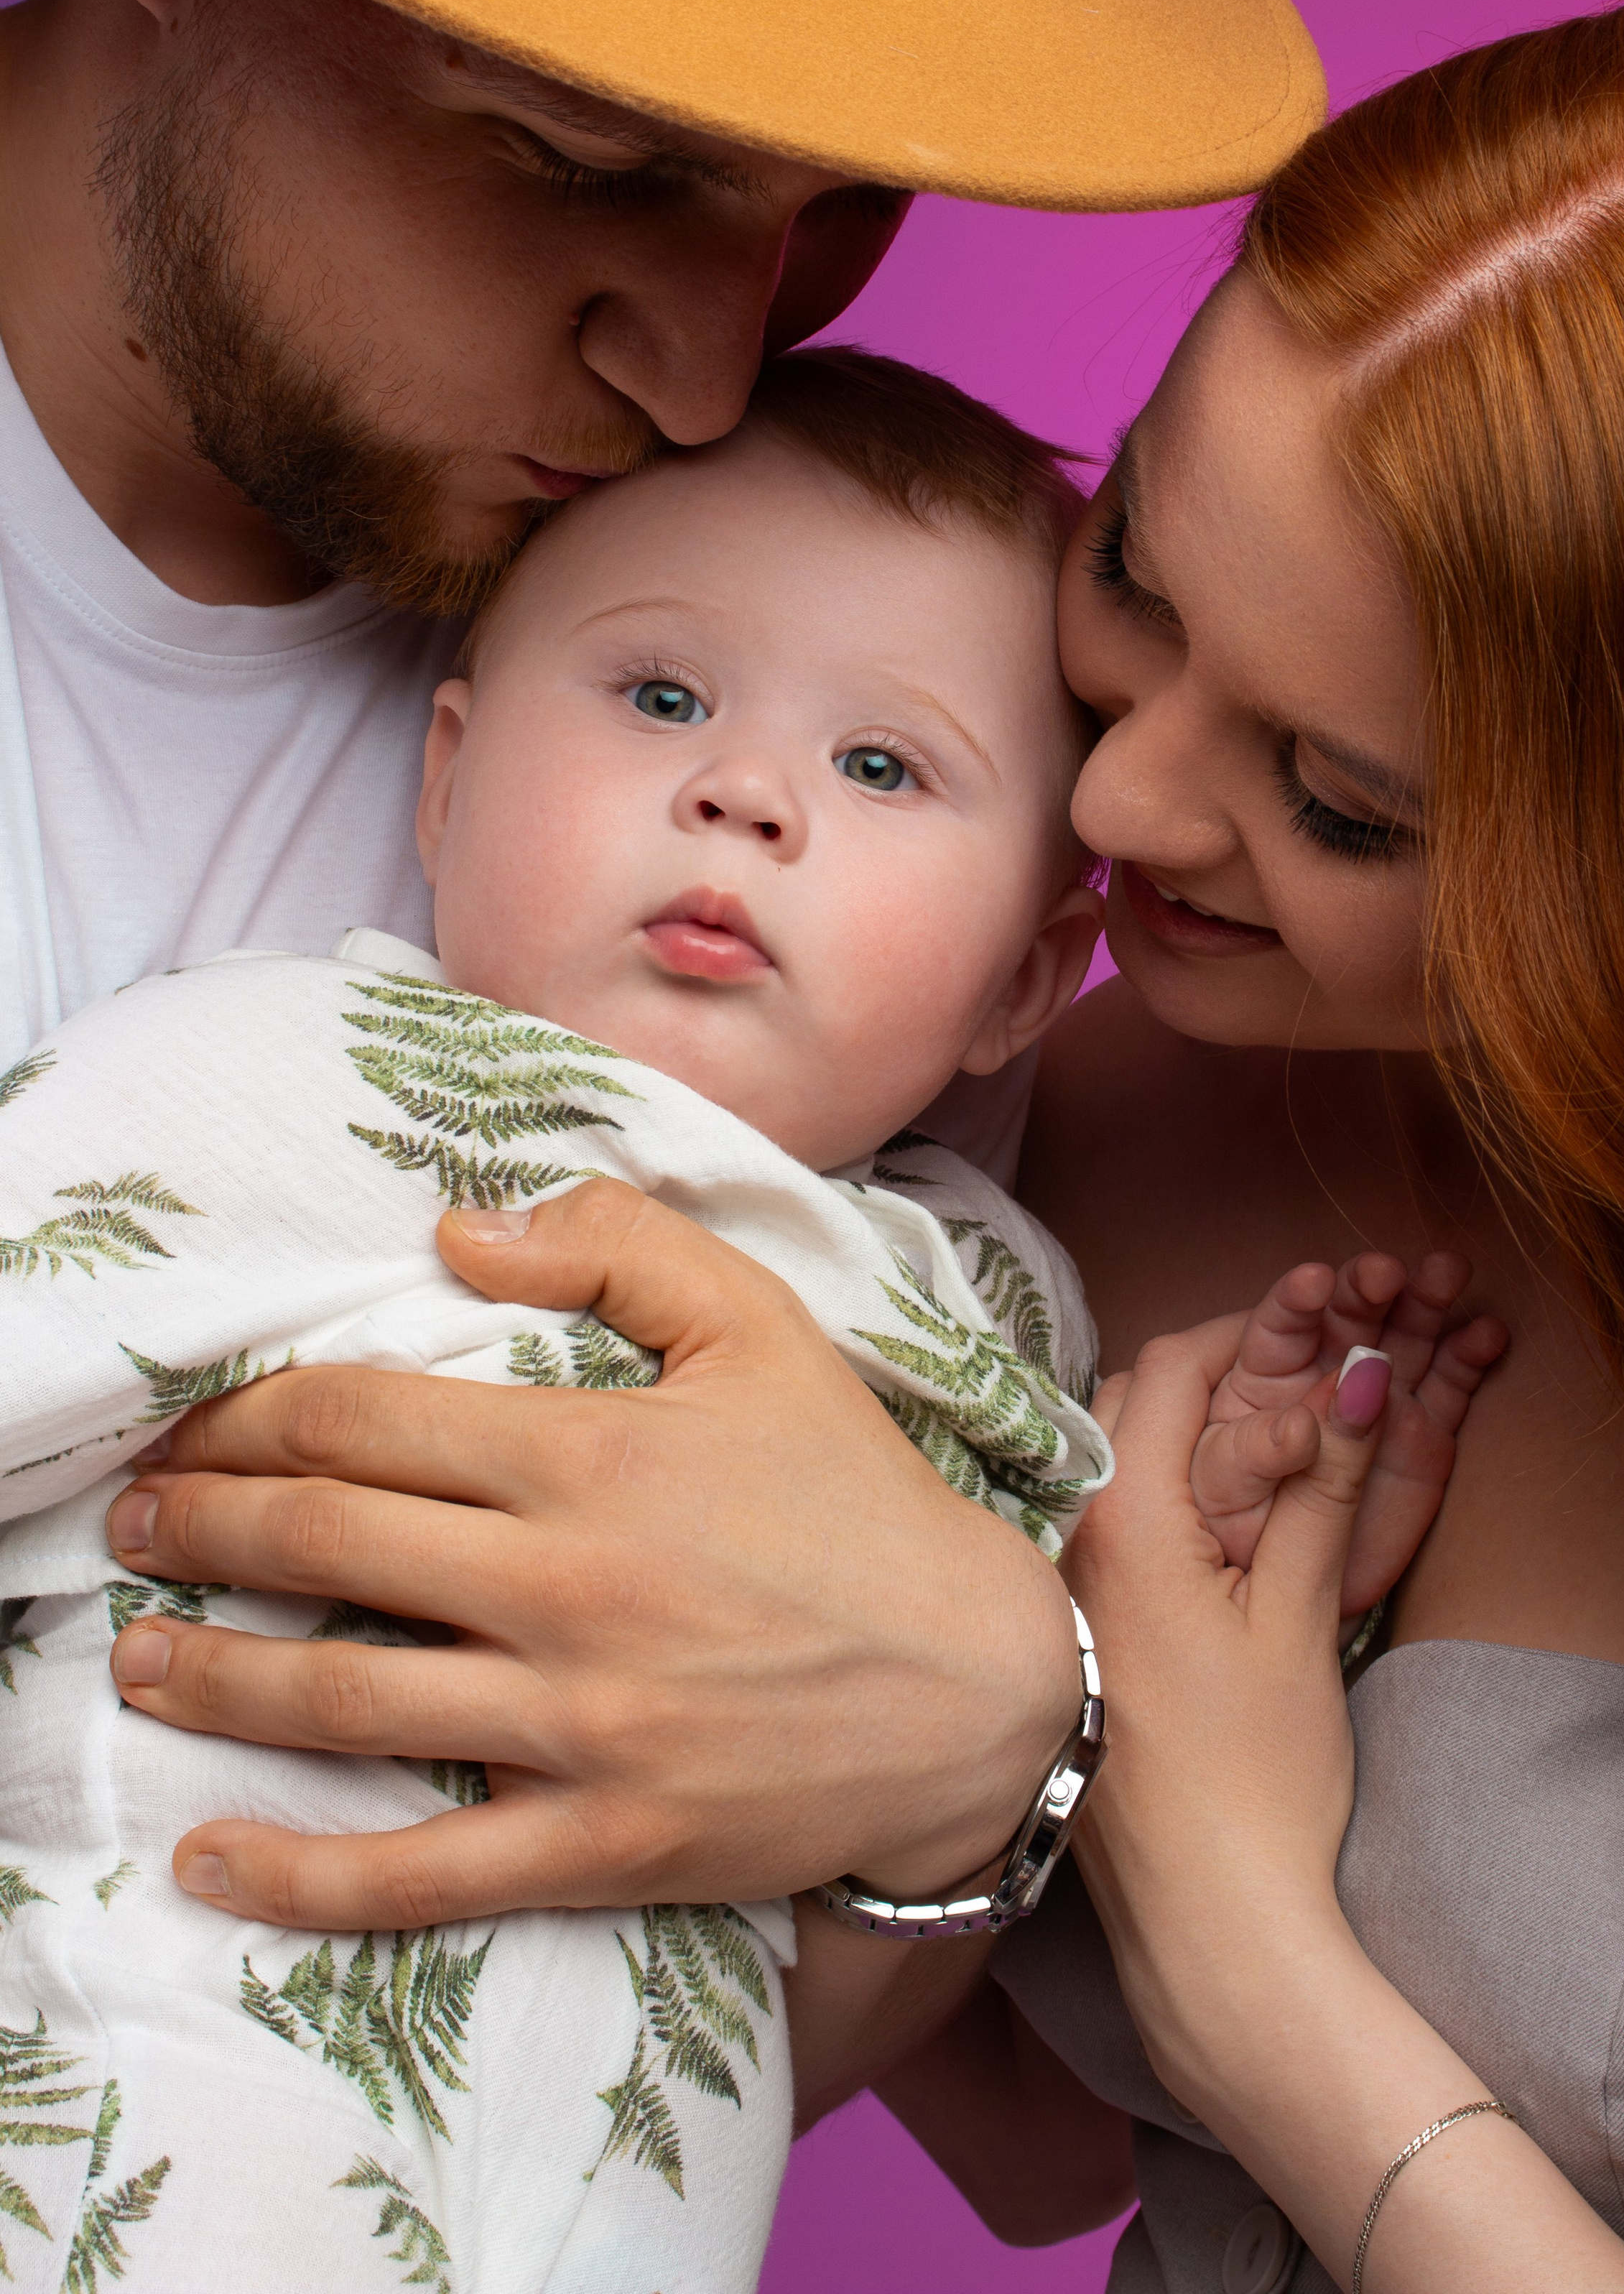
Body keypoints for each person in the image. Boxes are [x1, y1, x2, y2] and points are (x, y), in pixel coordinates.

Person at [0, 0, 1326, 1948]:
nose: (711, 381)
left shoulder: (809, 754)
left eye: (844, 206)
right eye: (588, 161)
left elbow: (648, 2000)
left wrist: (983, 1761)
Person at [0, 348, 1486, 2288]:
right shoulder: (281, 1085)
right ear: (447, 778)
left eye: (883, 768)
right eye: (663, 696)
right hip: (156, 2116)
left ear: (1021, 990)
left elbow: (1013, 1771)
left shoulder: (993, 1307)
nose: (745, 793)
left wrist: (1230, 1509)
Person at [869, 0, 1624, 2293]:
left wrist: (1231, 1936)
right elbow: (1036, 2160)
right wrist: (934, 1754)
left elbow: (1209, 2027)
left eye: (1338, 801)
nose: (1114, 807)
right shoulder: (1015, 1140)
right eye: (1133, 577)